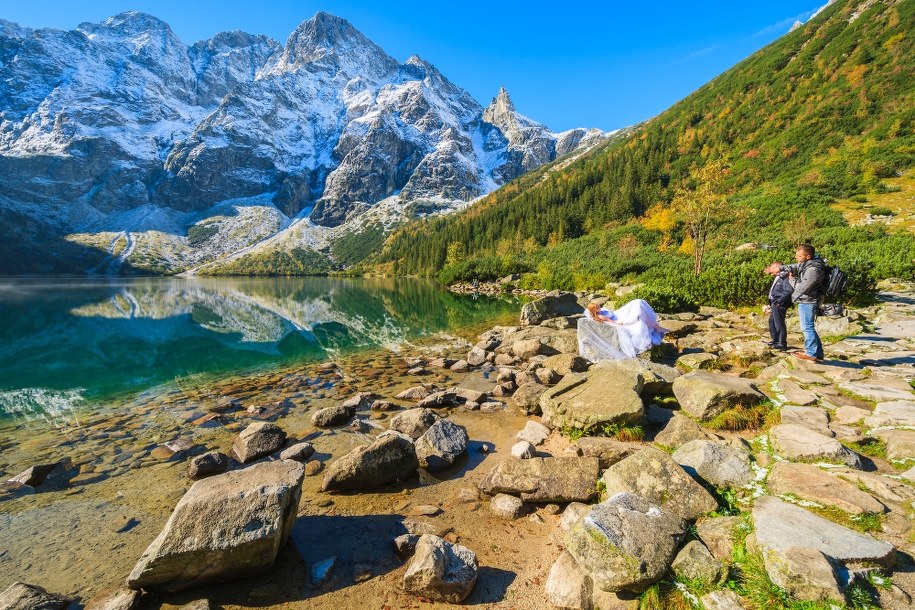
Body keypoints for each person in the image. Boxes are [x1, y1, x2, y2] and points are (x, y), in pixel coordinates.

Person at [772, 244, 826, 362]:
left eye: (799, 256)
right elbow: (795, 266)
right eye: (796, 255)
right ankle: (818, 353)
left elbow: (802, 288)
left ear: (808, 256)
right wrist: (780, 268)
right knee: (809, 327)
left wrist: (791, 279)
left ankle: (811, 353)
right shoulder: (809, 264)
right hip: (806, 300)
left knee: (807, 328)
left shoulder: (813, 270)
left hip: (808, 301)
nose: (797, 258)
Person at [579, 299, 669, 360]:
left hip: (617, 314)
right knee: (637, 314)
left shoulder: (600, 312)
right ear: (595, 311)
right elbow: (613, 323)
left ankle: (653, 324)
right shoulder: (601, 316)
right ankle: (654, 325)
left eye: (598, 306)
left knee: (637, 303)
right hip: (618, 320)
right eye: (597, 307)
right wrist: (624, 323)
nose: (599, 307)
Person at [761, 261, 794, 351]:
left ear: (778, 268)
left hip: (779, 304)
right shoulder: (778, 277)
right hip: (774, 303)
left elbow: (789, 291)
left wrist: (779, 302)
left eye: (772, 268)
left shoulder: (784, 278)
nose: (770, 269)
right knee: (772, 322)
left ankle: (782, 343)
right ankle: (775, 340)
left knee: (779, 323)